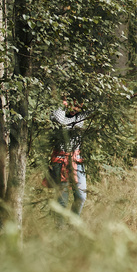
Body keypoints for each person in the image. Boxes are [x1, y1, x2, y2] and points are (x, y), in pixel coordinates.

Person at [49, 95, 89, 223]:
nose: (75, 108)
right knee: (62, 200)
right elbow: (61, 121)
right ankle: (59, 230)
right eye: (73, 104)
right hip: (60, 160)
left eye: (78, 106)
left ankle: (73, 223)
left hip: (76, 159)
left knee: (81, 196)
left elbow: (93, 108)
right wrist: (62, 104)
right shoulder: (57, 114)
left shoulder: (80, 117)